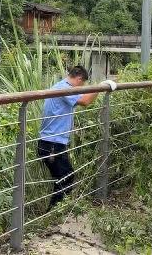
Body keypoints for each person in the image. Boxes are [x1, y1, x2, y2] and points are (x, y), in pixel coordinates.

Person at [37, 66, 116, 209]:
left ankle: (54, 212)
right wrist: (100, 87)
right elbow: (85, 101)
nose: (82, 87)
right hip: (52, 144)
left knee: (64, 177)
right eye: (83, 84)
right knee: (67, 178)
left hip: (51, 143)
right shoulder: (65, 88)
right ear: (79, 79)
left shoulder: (60, 87)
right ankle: (53, 213)